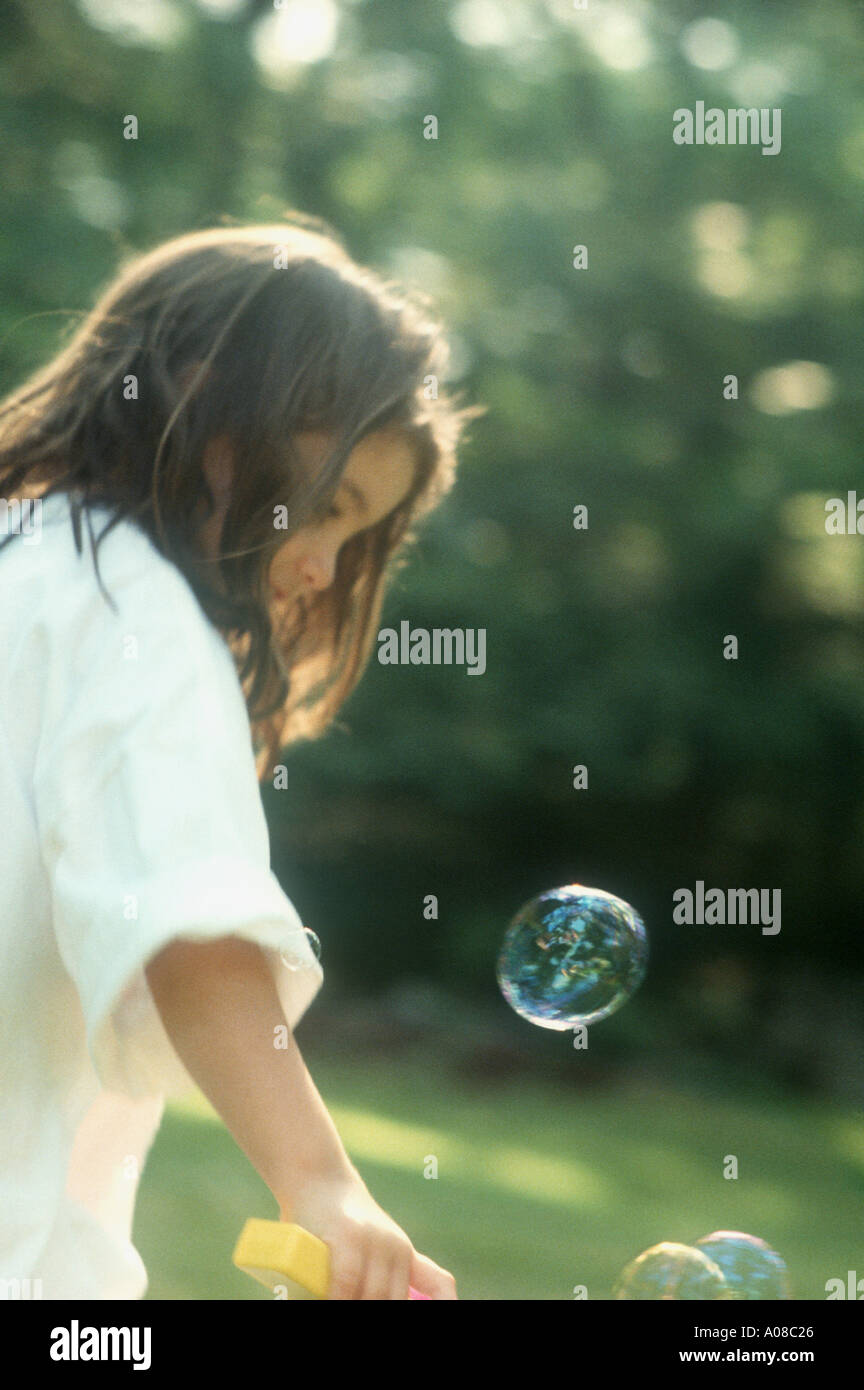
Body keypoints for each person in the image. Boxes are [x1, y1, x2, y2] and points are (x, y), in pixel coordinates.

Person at [0, 217, 479, 1300]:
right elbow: (191, 922)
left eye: (358, 543)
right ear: (211, 405)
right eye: (330, 510)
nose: (320, 566)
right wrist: (323, 1183)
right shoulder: (139, 614)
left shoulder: (23, 557)